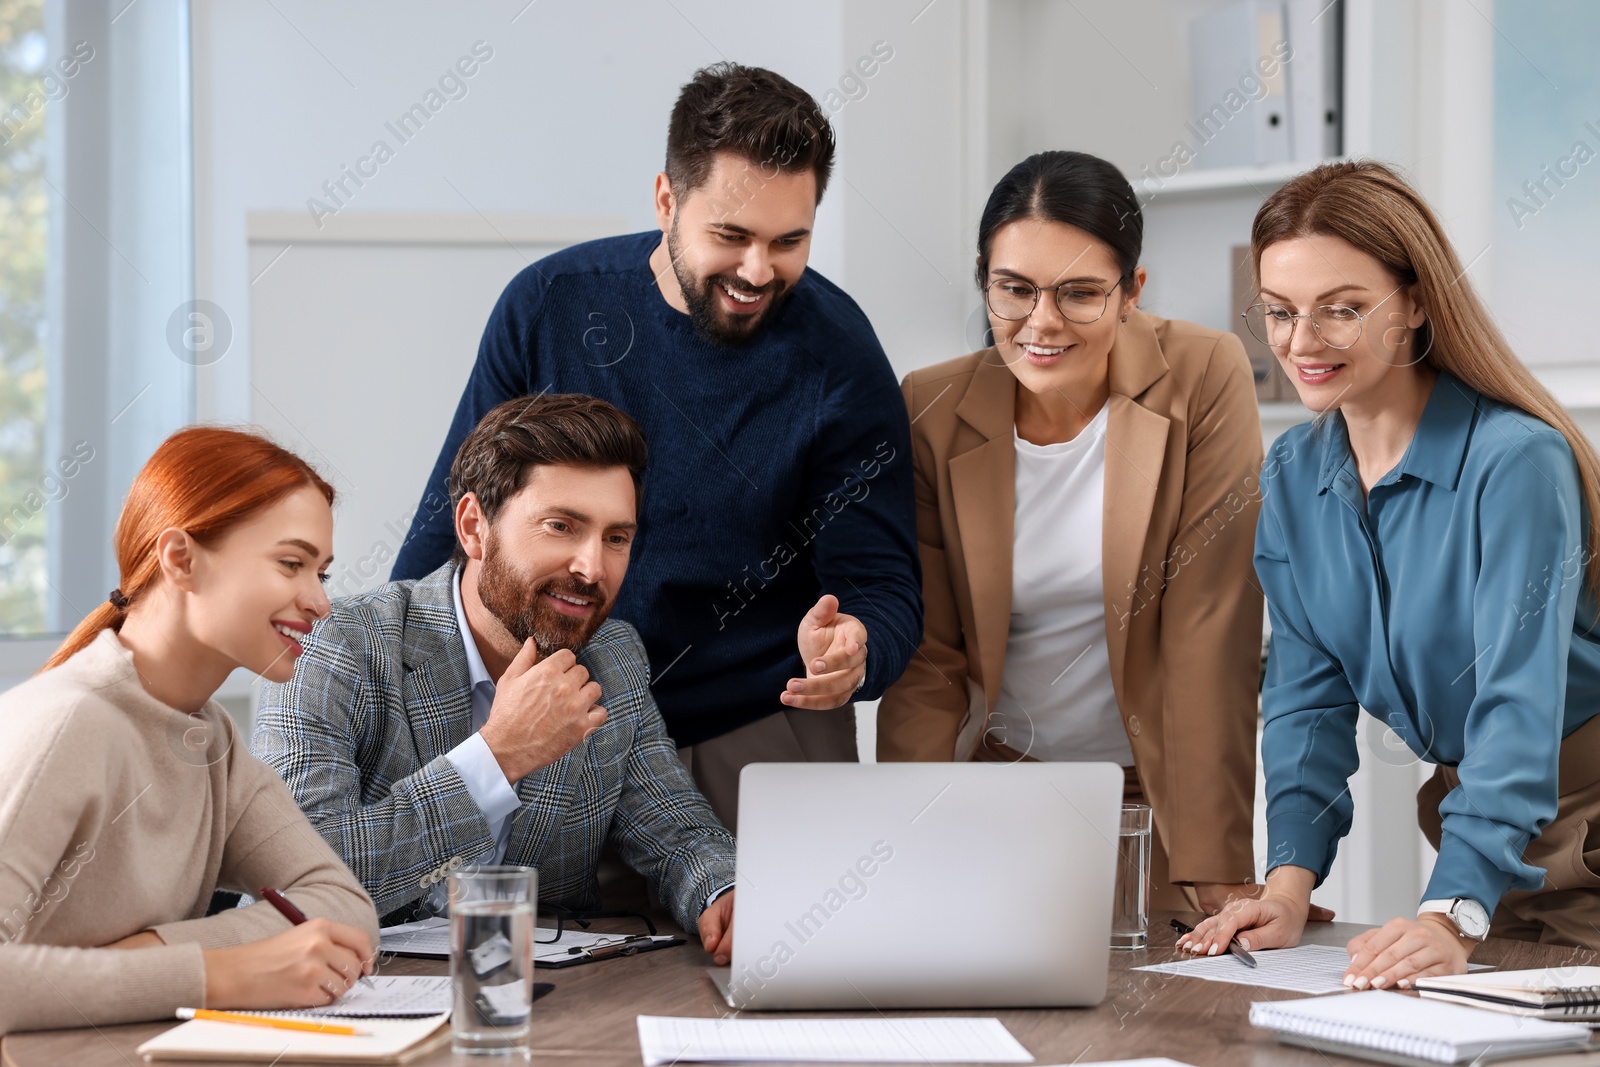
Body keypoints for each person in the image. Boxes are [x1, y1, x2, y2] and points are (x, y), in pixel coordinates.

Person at [387, 62, 920, 830]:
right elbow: (450, 527)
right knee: (570, 946)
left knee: (795, 944)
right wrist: (385, 683)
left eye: (789, 241)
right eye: (731, 236)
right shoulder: (547, 307)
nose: (758, 271)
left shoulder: (841, 356)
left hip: (759, 723)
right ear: (666, 199)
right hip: (564, 707)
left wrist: (855, 651)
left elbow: (885, 587)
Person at [1183, 160, 1600, 985]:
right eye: (1280, 312)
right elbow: (1307, 699)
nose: (1302, 342)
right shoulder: (1295, 474)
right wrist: (1289, 883)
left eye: (1341, 309)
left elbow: (1515, 703)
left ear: (1415, 303)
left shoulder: (1516, 462)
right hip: (1483, 827)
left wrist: (1453, 909)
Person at [875, 151, 1268, 914]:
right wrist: (903, 839)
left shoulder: (1204, 373)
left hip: (1153, 794)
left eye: (1081, 293)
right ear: (984, 278)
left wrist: (1212, 860)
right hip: (995, 786)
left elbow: (1207, 631)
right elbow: (931, 661)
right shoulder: (931, 406)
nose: (1042, 323)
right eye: (1014, 289)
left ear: (1132, 293)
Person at [254, 394, 739, 962]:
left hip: (545, 1006)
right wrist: (497, 756)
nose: (592, 568)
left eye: (616, 538)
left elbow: (677, 828)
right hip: (350, 995)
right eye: (561, 526)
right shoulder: (334, 646)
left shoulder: (611, 656)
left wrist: (724, 890)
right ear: (473, 528)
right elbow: (293, 885)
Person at [0, 427, 380, 1036]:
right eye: (291, 564)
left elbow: (346, 909)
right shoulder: (71, 724)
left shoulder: (213, 741)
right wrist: (220, 973)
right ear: (180, 558)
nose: (319, 602)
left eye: (322, 574)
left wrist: (147, 956)